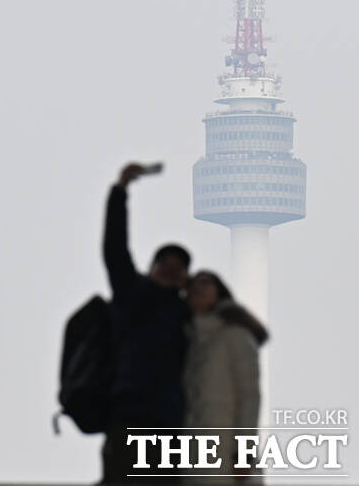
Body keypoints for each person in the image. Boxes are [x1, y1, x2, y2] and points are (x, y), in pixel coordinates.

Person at [101, 162, 191, 484]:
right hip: (130, 415)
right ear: (151, 269)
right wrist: (120, 191)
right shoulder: (132, 292)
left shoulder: (189, 315)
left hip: (174, 427)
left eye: (178, 266)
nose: (170, 268)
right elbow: (115, 247)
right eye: (164, 262)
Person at [183, 271, 268, 484]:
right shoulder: (189, 346)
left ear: (219, 292)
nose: (196, 288)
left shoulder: (235, 335)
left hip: (230, 464)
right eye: (191, 286)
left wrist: (244, 452)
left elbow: (249, 396)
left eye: (205, 282)